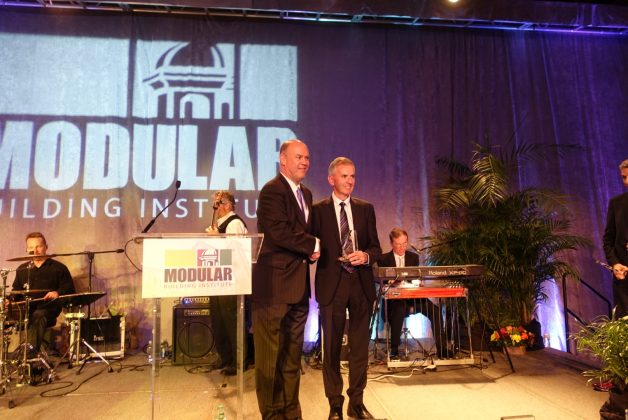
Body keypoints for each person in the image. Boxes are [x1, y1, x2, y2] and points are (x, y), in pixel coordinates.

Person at [252, 139, 320, 420]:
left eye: (307, 157)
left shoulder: (307, 194)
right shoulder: (272, 190)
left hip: (299, 289)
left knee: (292, 359)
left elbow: (303, 234)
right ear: (283, 159)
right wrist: (312, 244)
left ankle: (292, 412)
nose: (304, 162)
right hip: (273, 288)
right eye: (298, 157)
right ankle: (271, 414)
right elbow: (278, 232)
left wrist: (312, 249)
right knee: (269, 361)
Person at [312, 157, 381, 420]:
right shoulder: (317, 211)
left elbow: (376, 247)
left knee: (360, 348)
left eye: (352, 176)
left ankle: (356, 403)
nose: (350, 181)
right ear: (331, 179)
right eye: (344, 176)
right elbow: (311, 246)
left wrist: (366, 256)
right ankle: (334, 405)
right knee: (331, 348)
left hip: (360, 284)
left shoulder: (366, 209)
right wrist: (312, 253)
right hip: (333, 284)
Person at [378, 227, 448, 359]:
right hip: (395, 300)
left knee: (435, 311)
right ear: (392, 243)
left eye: (404, 243)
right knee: (398, 309)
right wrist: (389, 282)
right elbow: (380, 282)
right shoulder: (383, 259)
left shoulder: (413, 257)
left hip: (413, 298)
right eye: (398, 244)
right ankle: (394, 350)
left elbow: (415, 278)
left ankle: (442, 349)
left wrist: (418, 282)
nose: (402, 247)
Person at [11, 232, 76, 356]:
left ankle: (28, 355)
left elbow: (70, 290)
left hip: (48, 310)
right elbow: (16, 291)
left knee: (38, 315)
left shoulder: (59, 268)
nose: (35, 251)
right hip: (26, 310)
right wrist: (9, 300)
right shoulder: (22, 269)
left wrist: (57, 292)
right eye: (31, 248)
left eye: (38, 246)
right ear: (26, 249)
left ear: (46, 247)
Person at [205, 190, 248, 376]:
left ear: (228, 205)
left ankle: (239, 361)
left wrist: (218, 239)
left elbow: (235, 252)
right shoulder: (219, 225)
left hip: (233, 280)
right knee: (219, 320)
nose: (215, 207)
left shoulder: (234, 223)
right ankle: (225, 357)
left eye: (218, 203)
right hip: (219, 279)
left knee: (231, 321)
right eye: (214, 203)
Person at [603, 158, 628, 318]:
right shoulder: (616, 203)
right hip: (623, 279)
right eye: (624, 177)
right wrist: (615, 263)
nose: (626, 182)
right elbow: (608, 240)